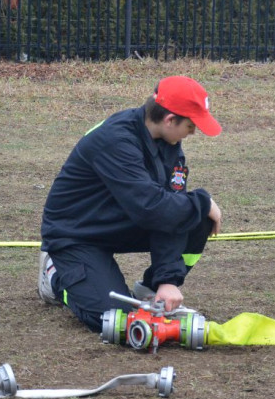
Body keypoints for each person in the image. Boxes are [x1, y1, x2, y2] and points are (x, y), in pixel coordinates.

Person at [37, 75, 223, 332]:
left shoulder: (169, 142)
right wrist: (203, 201)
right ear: (170, 120)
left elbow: (168, 211)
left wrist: (167, 281)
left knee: (196, 218)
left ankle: (151, 293)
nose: (192, 134)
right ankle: (56, 275)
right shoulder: (116, 140)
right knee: (113, 320)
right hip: (76, 233)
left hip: (122, 218)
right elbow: (152, 208)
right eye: (191, 127)